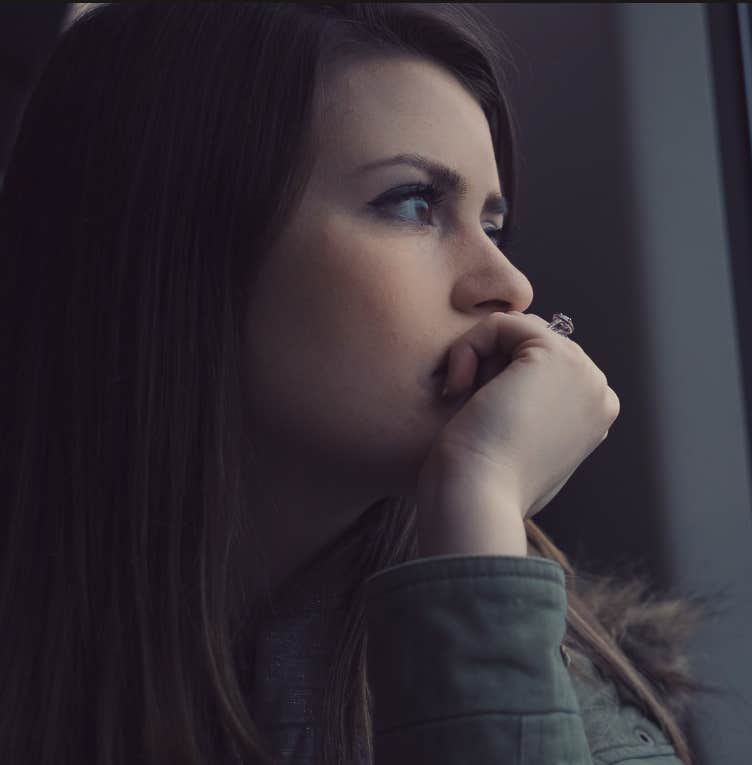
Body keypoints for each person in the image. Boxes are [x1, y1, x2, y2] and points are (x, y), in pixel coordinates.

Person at [0, 4, 706, 764]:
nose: (509, 286)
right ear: (172, 250)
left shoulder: (562, 676)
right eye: (413, 203)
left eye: (493, 225)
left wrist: (477, 508)